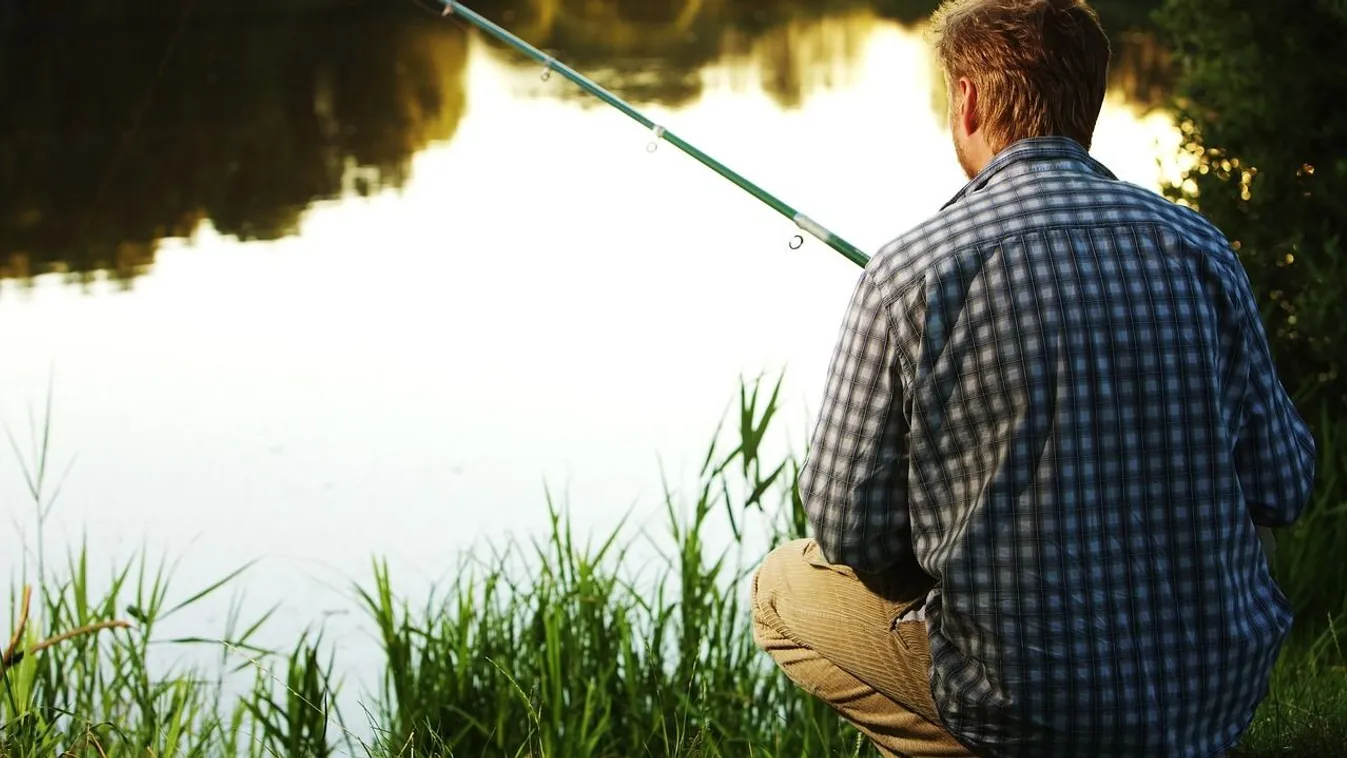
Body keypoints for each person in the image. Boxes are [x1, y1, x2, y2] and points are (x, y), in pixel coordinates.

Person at [749, 1, 1318, 756]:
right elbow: (1283, 483)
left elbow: (848, 526)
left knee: (781, 590)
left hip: (1019, 704)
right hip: (1209, 705)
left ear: (969, 100)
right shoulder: (1199, 246)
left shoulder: (910, 269)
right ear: (1090, 102)